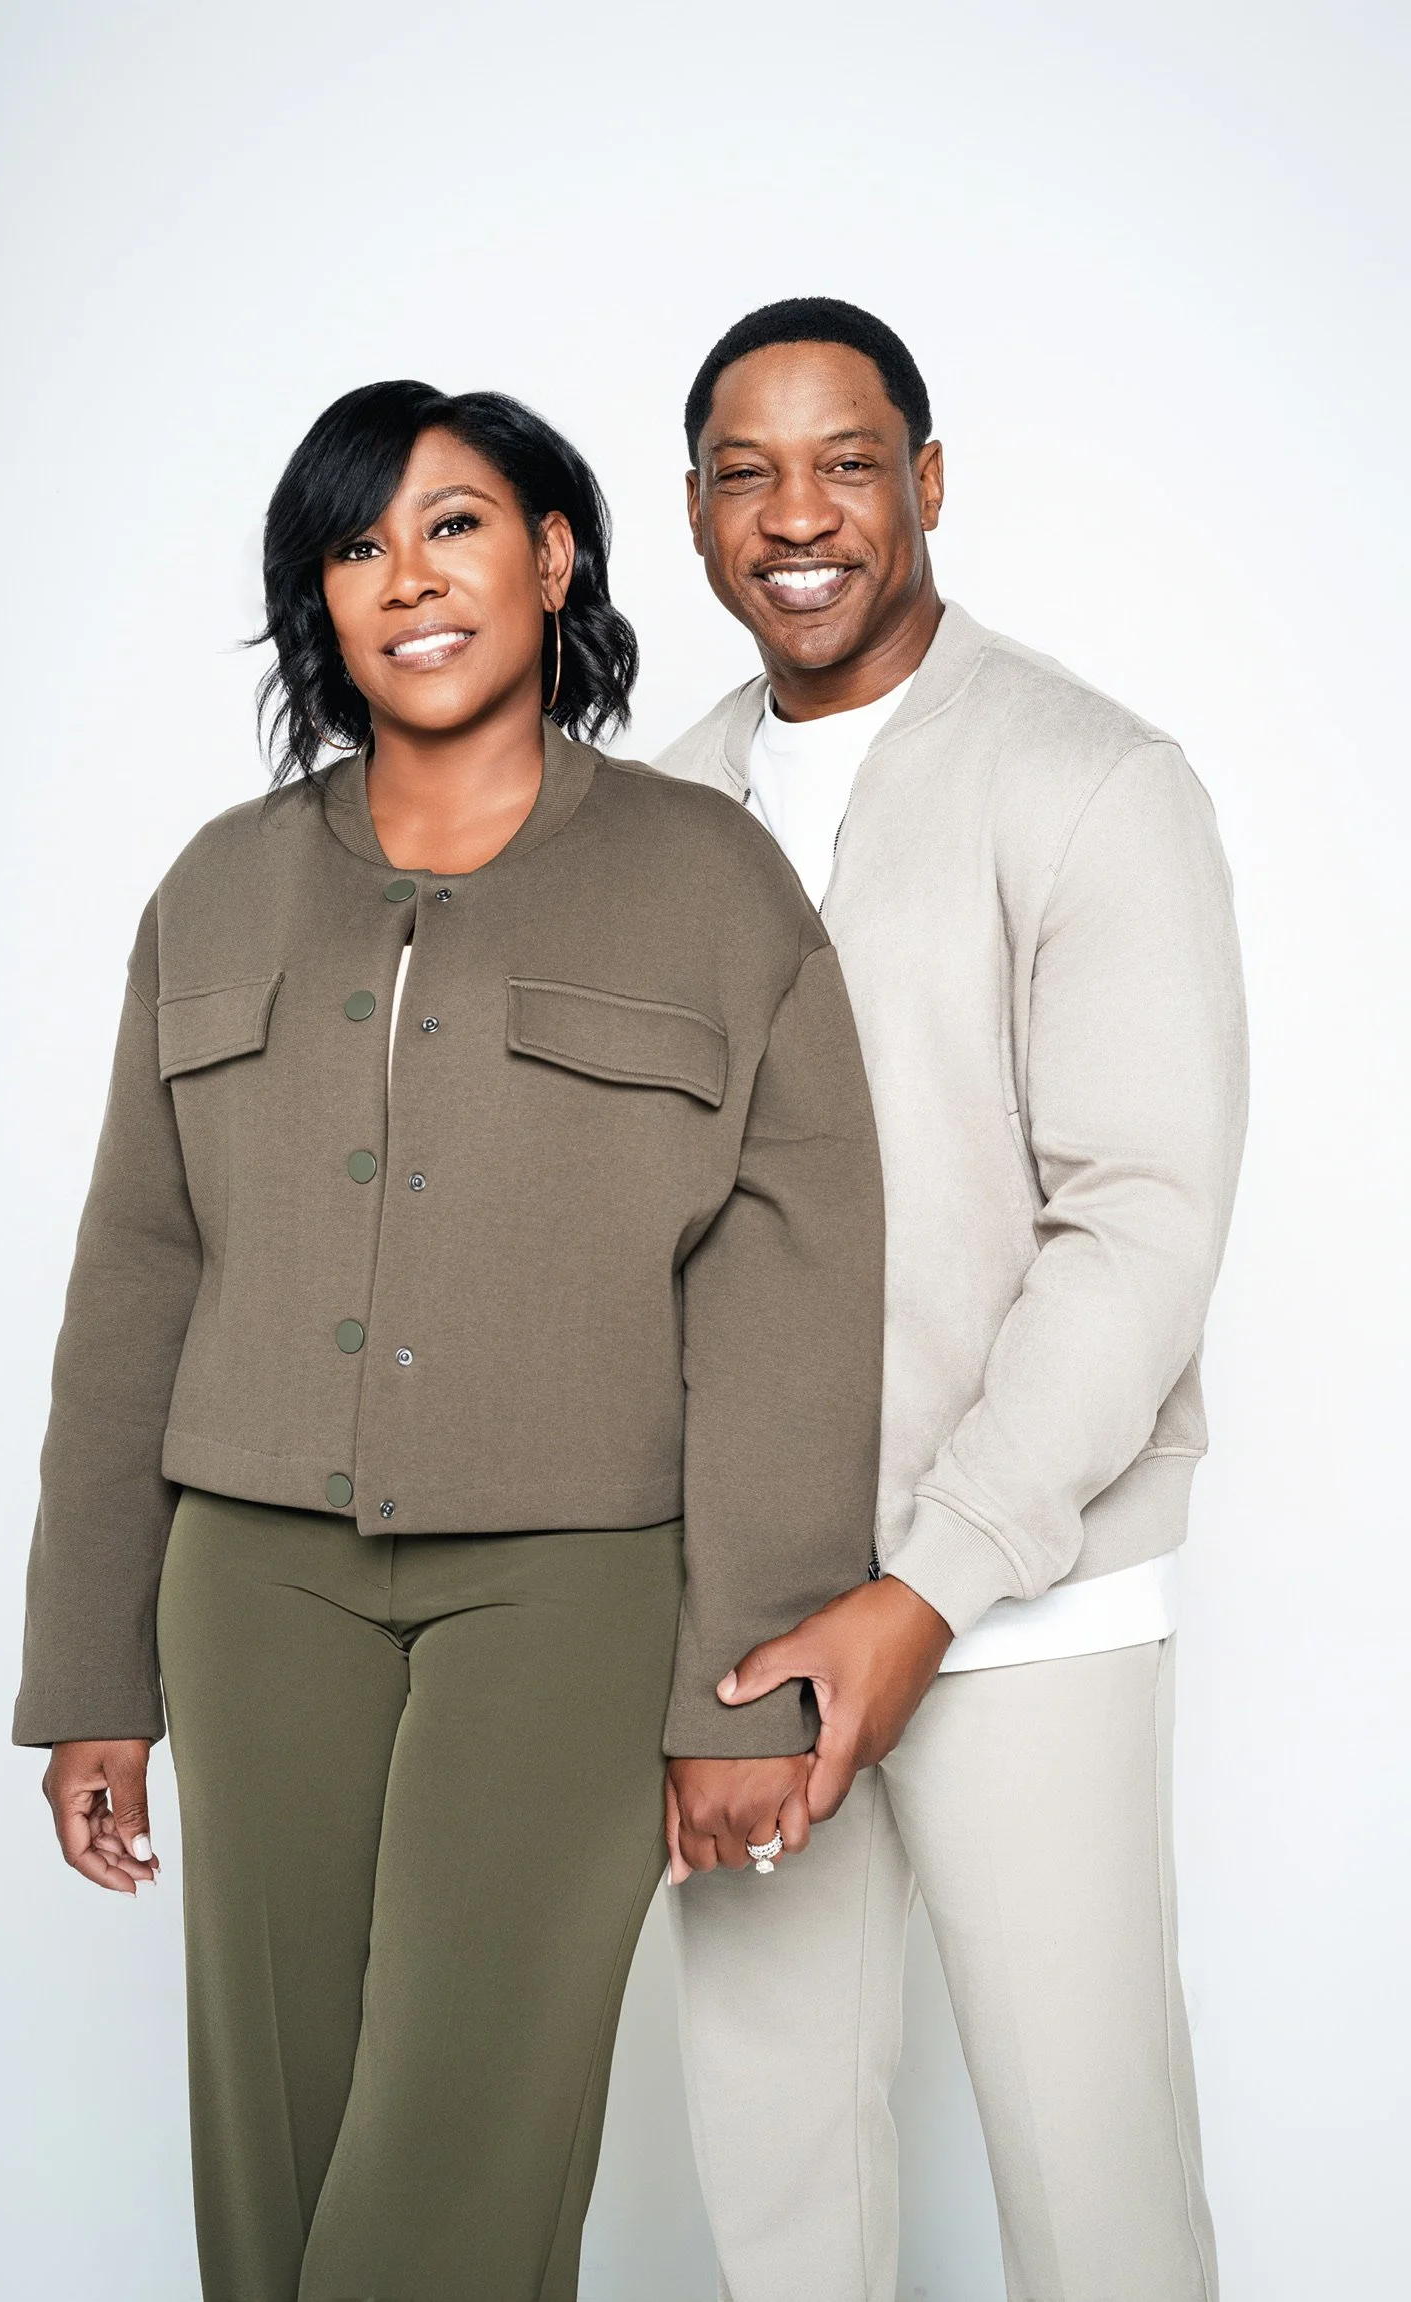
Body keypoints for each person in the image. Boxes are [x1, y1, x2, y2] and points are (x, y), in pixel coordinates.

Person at [12, 377, 886, 2302]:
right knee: (279, 2137)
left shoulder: (705, 881)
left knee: (461, 2142)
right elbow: (133, 1278)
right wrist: (93, 1664)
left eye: (453, 523)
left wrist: (731, 1689)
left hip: (570, 1588)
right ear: (316, 604)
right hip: (248, 1580)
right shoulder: (216, 887)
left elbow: (790, 1290)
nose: (404, 575)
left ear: (555, 553)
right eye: (353, 543)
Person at [659, 299, 1247, 2302]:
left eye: (844, 460)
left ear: (923, 481)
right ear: (691, 513)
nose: (795, 513)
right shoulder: (654, 820)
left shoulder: (1090, 780)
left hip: (1026, 1600)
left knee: (1092, 2191)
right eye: (745, 470)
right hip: (740, 1628)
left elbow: (1140, 1224)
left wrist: (927, 1584)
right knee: (774, 2189)